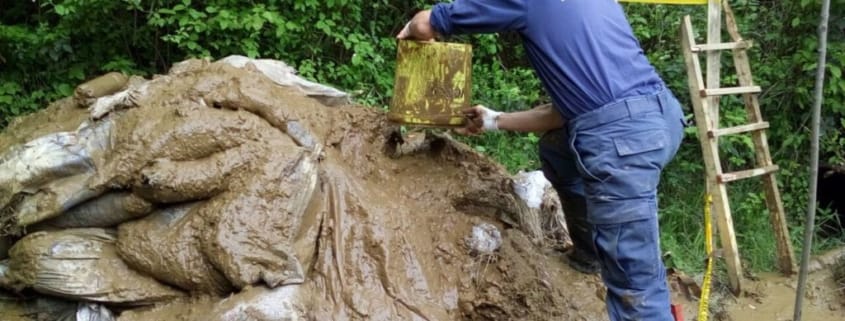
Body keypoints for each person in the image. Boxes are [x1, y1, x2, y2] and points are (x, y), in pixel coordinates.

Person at [396, 1, 687, 320]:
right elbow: (572, 112)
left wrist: (412, 29)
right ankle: (590, 252)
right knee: (558, 151)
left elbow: (426, 24)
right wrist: (495, 120)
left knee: (636, 286)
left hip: (622, 144)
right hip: (662, 117)